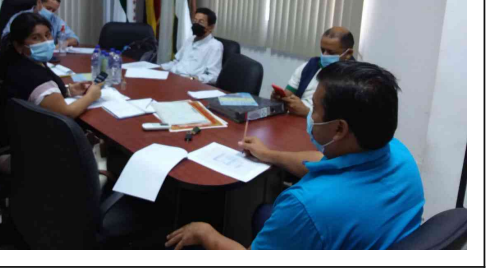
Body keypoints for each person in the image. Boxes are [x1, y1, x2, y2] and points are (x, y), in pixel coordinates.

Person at [165, 61, 425, 250]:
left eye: (315, 109)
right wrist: (269, 154)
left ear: (339, 129)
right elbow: (323, 162)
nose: (310, 115)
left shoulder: (306, 207)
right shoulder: (399, 152)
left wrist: (206, 234)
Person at [0, 12, 103, 173]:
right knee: (98, 150)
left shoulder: (23, 63)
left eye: (48, 35)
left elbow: (37, 95)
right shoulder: (33, 76)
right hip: (15, 157)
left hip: (12, 143)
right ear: (19, 45)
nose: (46, 42)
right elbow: (67, 113)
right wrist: (91, 96)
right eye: (36, 38)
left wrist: (70, 90)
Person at [273, 26, 355, 117]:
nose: (324, 55)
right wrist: (280, 98)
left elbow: (345, 119)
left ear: (348, 54)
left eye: (331, 52)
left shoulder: (355, 80)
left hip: (320, 124)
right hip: (295, 118)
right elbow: (288, 94)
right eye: (323, 50)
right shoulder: (308, 67)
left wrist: (307, 112)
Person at [160, 8, 223, 84]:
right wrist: (159, 67)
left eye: (201, 22)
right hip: (173, 77)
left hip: (189, 83)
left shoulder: (215, 46)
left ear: (211, 27)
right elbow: (177, 61)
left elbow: (213, 76)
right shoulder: (190, 39)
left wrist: (192, 79)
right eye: (195, 21)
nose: (196, 24)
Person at [1, 0, 80, 47]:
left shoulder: (56, 20)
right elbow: (5, 39)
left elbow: (75, 39)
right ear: (39, 3)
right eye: (48, 8)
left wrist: (63, 44)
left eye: (54, 10)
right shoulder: (19, 17)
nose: (50, 12)